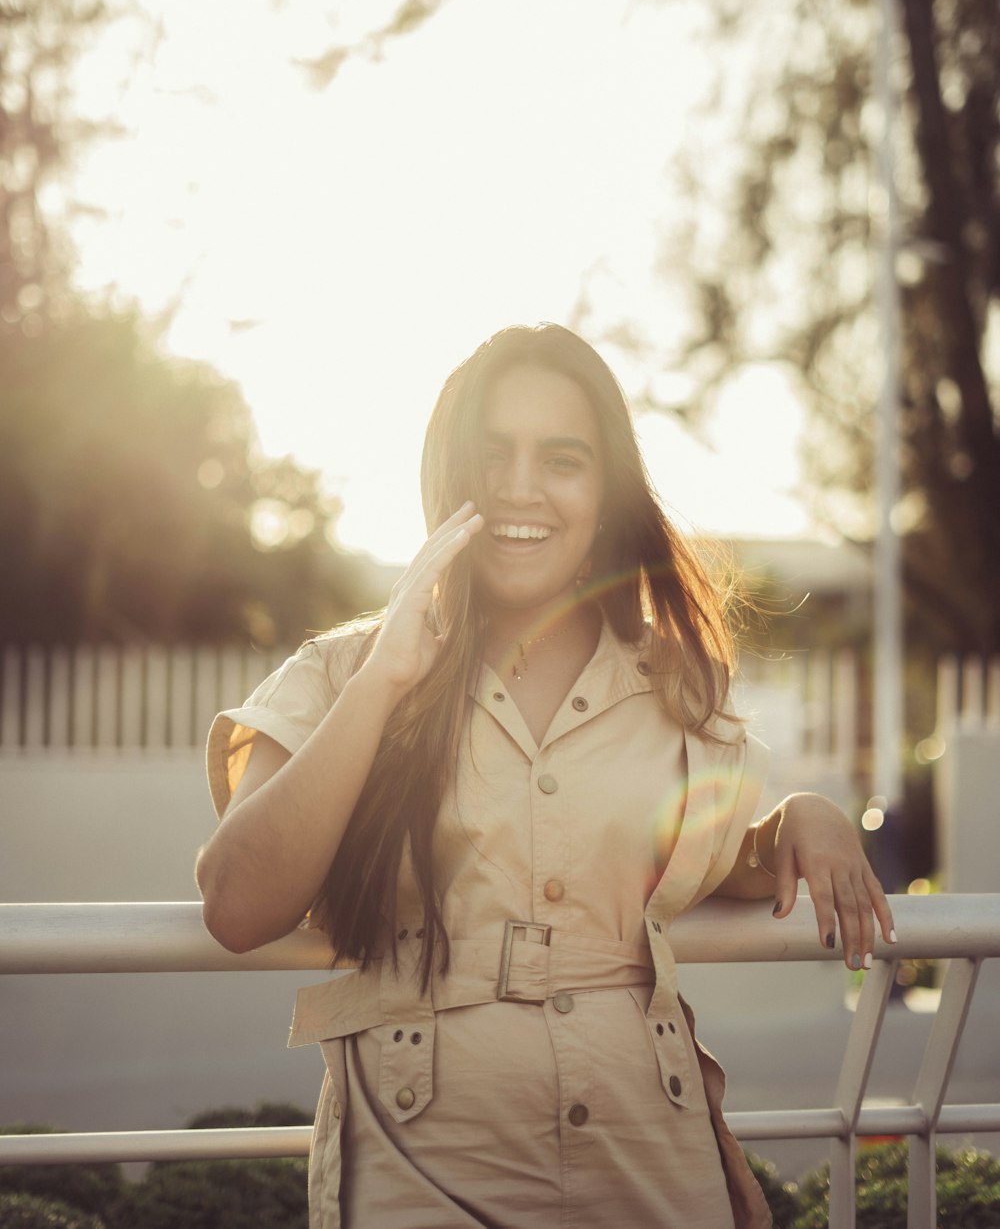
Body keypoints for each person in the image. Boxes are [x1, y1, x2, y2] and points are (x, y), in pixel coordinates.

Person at [197, 323, 895, 1229]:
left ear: (605, 494)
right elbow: (237, 904)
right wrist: (385, 682)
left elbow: (693, 866)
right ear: (450, 476)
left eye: (561, 459)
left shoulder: (674, 685)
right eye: (493, 455)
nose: (520, 488)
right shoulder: (342, 674)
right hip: (425, 1168)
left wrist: (803, 820)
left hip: (650, 1160)